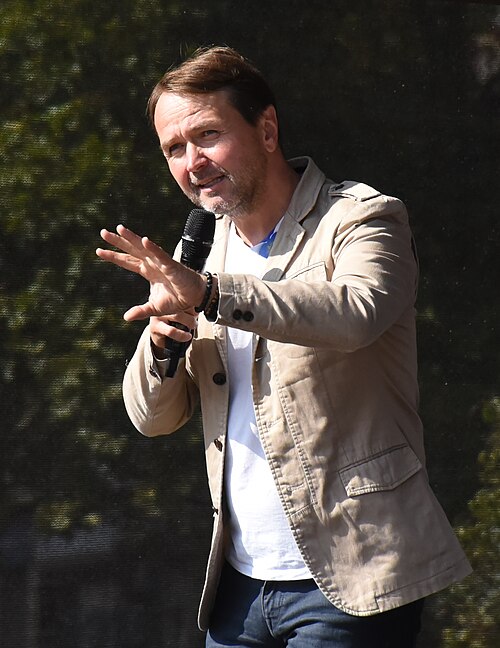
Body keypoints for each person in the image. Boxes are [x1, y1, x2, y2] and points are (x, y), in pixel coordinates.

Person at [96, 46, 471, 647]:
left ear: (267, 130)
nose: (192, 162)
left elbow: (356, 313)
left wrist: (212, 294)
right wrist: (163, 343)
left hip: (355, 576)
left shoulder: (362, 218)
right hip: (238, 588)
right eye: (174, 148)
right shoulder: (199, 251)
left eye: (208, 135)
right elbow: (151, 419)